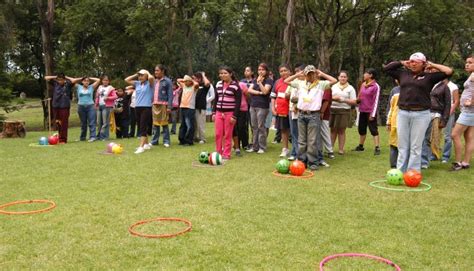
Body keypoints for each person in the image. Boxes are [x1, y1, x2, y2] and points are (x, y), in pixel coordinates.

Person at [384, 52, 453, 172]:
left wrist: (432, 65)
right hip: (403, 113)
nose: (413, 63)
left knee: (416, 146)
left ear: (423, 63)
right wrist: (401, 62)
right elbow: (386, 68)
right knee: (402, 145)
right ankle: (401, 171)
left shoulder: (429, 77)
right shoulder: (402, 73)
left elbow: (449, 71)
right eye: (411, 61)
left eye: (416, 61)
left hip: (421, 114)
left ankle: (413, 172)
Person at [284, 65, 337, 171]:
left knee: (312, 140)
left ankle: (313, 162)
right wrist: (297, 75)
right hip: (301, 114)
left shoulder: (321, 84)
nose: (310, 76)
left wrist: (322, 74)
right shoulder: (300, 83)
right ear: (305, 74)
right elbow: (286, 81)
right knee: (302, 140)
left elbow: (334, 80)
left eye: (312, 73)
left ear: (315, 73)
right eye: (308, 74)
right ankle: (302, 161)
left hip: (313, 115)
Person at [421, 69, 451, 169]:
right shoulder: (423, 82)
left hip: (435, 114)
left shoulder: (444, 86)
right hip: (421, 112)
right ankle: (415, 160)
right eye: (427, 69)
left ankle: (424, 161)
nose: (429, 71)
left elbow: (448, 104)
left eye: (431, 69)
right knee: (418, 138)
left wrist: (444, 119)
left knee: (428, 138)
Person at [213, 66, 242, 160]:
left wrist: (234, 116)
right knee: (218, 134)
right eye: (221, 73)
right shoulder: (218, 84)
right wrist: (214, 112)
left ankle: (226, 154)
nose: (222, 75)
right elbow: (216, 99)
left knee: (228, 134)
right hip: (218, 112)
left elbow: (238, 103)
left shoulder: (235, 86)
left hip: (229, 113)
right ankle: (218, 152)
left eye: (225, 73)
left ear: (230, 74)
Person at [450, 56, 474, 171]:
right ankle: (465, 162)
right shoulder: (472, 75)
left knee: (454, 134)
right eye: (466, 62)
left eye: (470, 63)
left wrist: (472, 101)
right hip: (470, 112)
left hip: (469, 112)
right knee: (469, 137)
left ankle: (458, 163)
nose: (467, 64)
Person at [125, 69, 155, 154]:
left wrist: (147, 72)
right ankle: (146, 144)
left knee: (142, 126)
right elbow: (126, 80)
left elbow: (152, 78)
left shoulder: (150, 84)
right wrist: (136, 74)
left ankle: (141, 147)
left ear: (146, 76)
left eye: (142, 75)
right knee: (141, 126)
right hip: (137, 107)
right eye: (139, 75)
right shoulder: (137, 83)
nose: (140, 77)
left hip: (146, 107)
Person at [353, 68, 381, 155]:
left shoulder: (376, 86)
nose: (364, 75)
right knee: (361, 129)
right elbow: (360, 96)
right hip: (362, 110)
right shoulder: (363, 84)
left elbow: (376, 101)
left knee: (373, 129)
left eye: (365, 73)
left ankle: (377, 148)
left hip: (370, 112)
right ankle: (361, 146)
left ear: (371, 75)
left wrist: (372, 114)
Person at [247, 63, 273, 154]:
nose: (260, 71)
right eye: (259, 69)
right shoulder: (254, 79)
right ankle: (254, 147)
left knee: (261, 126)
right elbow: (249, 90)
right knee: (254, 127)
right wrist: (259, 93)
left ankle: (262, 147)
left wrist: (260, 83)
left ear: (266, 71)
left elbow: (265, 91)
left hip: (262, 106)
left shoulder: (269, 80)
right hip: (253, 105)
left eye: (262, 69)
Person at [330, 71, 357, 155]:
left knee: (341, 130)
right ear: (338, 77)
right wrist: (335, 99)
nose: (343, 78)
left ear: (347, 78)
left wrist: (343, 100)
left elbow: (354, 101)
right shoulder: (333, 86)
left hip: (344, 111)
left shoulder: (350, 88)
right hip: (333, 110)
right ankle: (330, 149)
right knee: (333, 130)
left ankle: (341, 149)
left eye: (344, 77)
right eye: (341, 76)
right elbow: (328, 97)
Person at [44, 73, 75, 143]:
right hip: (56, 106)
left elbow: (74, 80)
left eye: (61, 80)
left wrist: (67, 77)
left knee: (64, 123)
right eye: (59, 80)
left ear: (64, 80)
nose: (60, 81)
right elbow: (46, 78)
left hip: (64, 107)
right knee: (58, 122)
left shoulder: (68, 84)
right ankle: (59, 137)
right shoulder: (55, 83)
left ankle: (63, 139)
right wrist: (55, 77)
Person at [271, 64, 292, 157]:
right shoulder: (277, 82)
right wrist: (273, 108)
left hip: (293, 110)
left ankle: (297, 150)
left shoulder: (295, 81)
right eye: (281, 71)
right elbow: (273, 96)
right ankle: (285, 149)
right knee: (283, 130)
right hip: (281, 110)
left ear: (290, 71)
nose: (283, 73)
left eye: (285, 70)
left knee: (295, 130)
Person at [285, 64, 304, 160]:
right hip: (292, 110)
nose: (298, 73)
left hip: (302, 111)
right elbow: (287, 94)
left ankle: (299, 154)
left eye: (300, 71)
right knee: (293, 133)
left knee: (301, 134)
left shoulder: (307, 82)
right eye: (296, 71)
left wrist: (298, 99)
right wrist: (290, 96)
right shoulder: (294, 81)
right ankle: (294, 153)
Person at [151, 64, 173, 147]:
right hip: (154, 105)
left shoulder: (167, 81)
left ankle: (166, 141)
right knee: (155, 124)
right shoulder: (154, 81)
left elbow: (170, 94)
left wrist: (169, 107)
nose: (155, 72)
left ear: (162, 71)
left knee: (164, 123)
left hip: (163, 105)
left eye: (157, 70)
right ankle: (154, 141)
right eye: (155, 70)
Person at [75, 76, 100, 142]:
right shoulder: (79, 87)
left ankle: (93, 137)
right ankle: (82, 137)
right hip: (81, 106)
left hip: (90, 106)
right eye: (85, 81)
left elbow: (98, 80)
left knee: (92, 122)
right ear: (82, 82)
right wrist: (81, 78)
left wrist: (89, 77)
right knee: (83, 123)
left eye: (87, 81)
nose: (86, 82)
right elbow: (72, 80)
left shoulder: (91, 87)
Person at [441, 80, 460, 163]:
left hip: (448, 112)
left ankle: (445, 156)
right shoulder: (436, 84)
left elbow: (456, 101)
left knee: (447, 136)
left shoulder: (453, 86)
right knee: (434, 135)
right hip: (437, 112)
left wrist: (449, 113)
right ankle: (433, 155)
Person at [177, 75, 199, 146]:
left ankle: (189, 141)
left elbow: (197, 84)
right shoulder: (184, 86)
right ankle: (182, 140)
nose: (185, 82)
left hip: (190, 108)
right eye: (185, 81)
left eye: (187, 81)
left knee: (189, 125)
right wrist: (185, 80)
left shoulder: (194, 88)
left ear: (190, 81)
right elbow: (178, 80)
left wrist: (191, 80)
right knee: (183, 125)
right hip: (183, 107)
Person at [95, 75, 117, 141]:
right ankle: (99, 136)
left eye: (107, 80)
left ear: (108, 81)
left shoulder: (111, 88)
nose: (105, 81)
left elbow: (115, 96)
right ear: (102, 81)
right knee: (99, 122)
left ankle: (105, 136)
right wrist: (96, 104)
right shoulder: (99, 87)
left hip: (106, 106)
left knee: (105, 122)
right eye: (104, 80)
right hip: (99, 106)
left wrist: (108, 98)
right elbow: (97, 96)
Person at [193, 72, 211, 144]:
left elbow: (207, 83)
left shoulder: (204, 86)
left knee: (201, 124)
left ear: (199, 79)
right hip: (193, 107)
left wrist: (203, 75)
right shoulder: (193, 86)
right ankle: (195, 137)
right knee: (194, 124)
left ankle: (202, 138)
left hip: (201, 108)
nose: (193, 79)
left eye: (194, 78)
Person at [233, 81, 249, 156]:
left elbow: (248, 95)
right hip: (233, 109)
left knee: (242, 127)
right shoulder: (229, 85)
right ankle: (237, 146)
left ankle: (245, 144)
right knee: (235, 128)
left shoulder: (242, 84)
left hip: (243, 109)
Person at [386, 85, 400, 168]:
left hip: (407, 123)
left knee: (404, 145)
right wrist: (388, 122)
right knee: (393, 144)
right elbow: (391, 107)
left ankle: (402, 164)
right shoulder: (395, 92)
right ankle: (393, 164)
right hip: (394, 122)